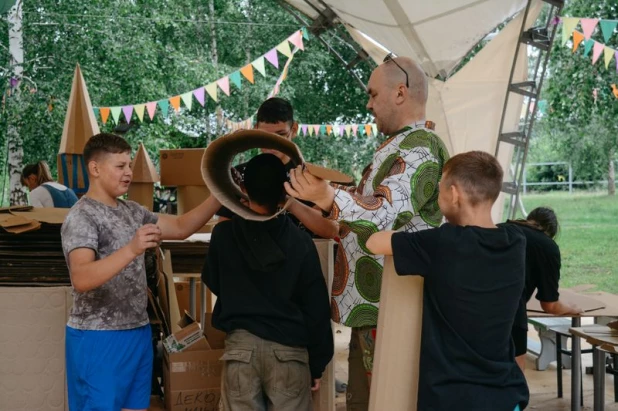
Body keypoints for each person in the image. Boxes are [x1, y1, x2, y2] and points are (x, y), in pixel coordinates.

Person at [284, 55, 449, 409]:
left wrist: (329, 195)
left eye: (373, 94)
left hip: (396, 309)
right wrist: (302, 202)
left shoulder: (420, 148)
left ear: (401, 93)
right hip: (377, 310)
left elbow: (383, 215)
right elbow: (348, 228)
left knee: (387, 401)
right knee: (365, 401)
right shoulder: (399, 147)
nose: (368, 104)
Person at [61, 133, 221, 411]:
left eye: (129, 166)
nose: (128, 173)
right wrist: (132, 249)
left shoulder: (133, 211)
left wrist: (219, 195)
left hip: (137, 332)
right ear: (95, 168)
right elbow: (82, 278)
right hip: (98, 337)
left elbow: (182, 227)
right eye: (120, 166)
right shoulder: (81, 216)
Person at [366, 151, 529, 411]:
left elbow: (375, 243)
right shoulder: (516, 241)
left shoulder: (443, 243)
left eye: (440, 187)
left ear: (453, 194)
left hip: (452, 397)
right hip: (506, 395)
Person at [202, 153, 334, 411]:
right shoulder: (300, 241)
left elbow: (213, 280)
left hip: (240, 353)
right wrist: (316, 364)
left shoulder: (223, 235)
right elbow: (317, 308)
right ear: (285, 191)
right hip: (289, 354)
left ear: (242, 188)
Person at [216, 97, 339, 239]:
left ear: (294, 129)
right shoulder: (240, 175)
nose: (271, 143)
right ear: (256, 130)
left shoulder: (310, 177)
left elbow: (330, 230)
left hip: (300, 257)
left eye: (280, 135)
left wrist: (289, 203)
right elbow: (223, 233)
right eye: (264, 136)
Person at [506, 207, 582, 371]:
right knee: (514, 374)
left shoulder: (502, 227)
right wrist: (571, 308)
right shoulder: (547, 246)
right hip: (509, 312)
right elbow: (550, 305)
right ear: (550, 231)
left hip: (472, 306)